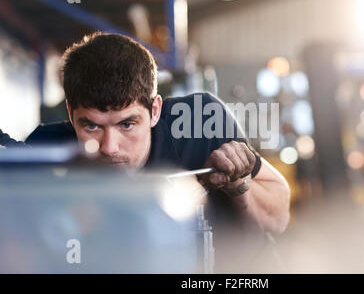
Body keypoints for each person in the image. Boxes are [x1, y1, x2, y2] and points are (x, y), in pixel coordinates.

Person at [24, 32, 290, 237]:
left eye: (127, 125)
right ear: (70, 113)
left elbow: (278, 220)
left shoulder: (199, 121)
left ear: (154, 110)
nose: (110, 147)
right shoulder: (46, 152)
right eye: (92, 126)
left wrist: (239, 187)